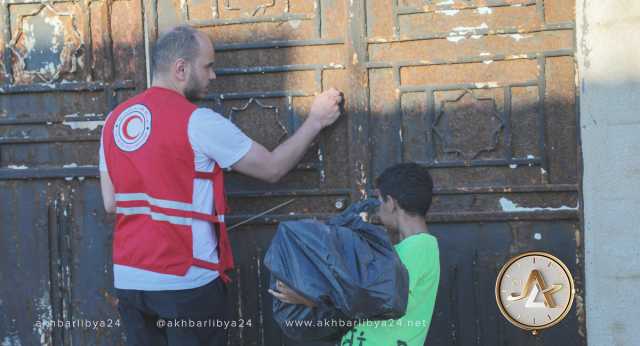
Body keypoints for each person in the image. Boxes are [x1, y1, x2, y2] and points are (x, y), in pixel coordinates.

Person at [99, 25, 342, 346]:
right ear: (181, 69)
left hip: (131, 280)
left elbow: (111, 203)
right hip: (186, 281)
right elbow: (271, 168)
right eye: (208, 66)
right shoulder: (197, 121)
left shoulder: (114, 121)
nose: (213, 76)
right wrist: (315, 121)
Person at [270, 163, 440, 346]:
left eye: (380, 200)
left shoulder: (421, 246)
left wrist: (307, 299)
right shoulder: (403, 249)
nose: (378, 208)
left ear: (391, 203)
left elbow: (372, 303)